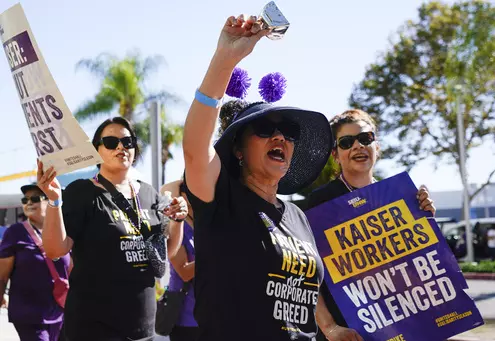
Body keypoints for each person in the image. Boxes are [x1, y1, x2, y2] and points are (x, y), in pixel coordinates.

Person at [182, 13, 360, 341]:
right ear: (238, 149)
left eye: (288, 131)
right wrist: (226, 59)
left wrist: (330, 328)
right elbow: (194, 148)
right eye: (264, 129)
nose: (279, 138)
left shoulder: (297, 216)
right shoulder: (220, 199)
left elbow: (302, 283)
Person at [37, 116, 187, 341]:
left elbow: (166, 254)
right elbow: (55, 250)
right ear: (97, 150)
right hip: (94, 327)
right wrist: (54, 201)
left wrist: (178, 220)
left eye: (127, 142)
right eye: (110, 142)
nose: (120, 147)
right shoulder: (82, 192)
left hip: (142, 326)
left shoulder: (149, 194)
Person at [307, 109, 436, 341]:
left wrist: (425, 220)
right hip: (347, 333)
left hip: (401, 326)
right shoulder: (318, 204)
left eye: (365, 138)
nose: (358, 146)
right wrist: (329, 328)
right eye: (347, 142)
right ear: (335, 154)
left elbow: (421, 267)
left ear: (376, 146)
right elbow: (308, 274)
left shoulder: (399, 197)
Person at [0, 183, 71, 341]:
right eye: (25, 200)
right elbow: (2, 275)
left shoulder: (65, 232)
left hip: (62, 311)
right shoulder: (15, 232)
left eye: (34, 199)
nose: (29, 203)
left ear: (50, 200)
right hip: (29, 314)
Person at [160, 180, 198, 341]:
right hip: (185, 317)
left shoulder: (204, 225)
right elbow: (184, 272)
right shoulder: (177, 227)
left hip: (209, 314)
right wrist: (217, 255)